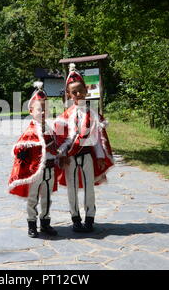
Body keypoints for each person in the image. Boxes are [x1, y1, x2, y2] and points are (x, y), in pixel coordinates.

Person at [54, 63, 114, 232]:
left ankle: (89, 218)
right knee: (72, 189)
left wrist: (101, 157)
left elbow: (98, 138)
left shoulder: (93, 114)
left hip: (87, 156)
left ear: (86, 90)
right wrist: (62, 153)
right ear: (69, 94)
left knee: (89, 188)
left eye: (81, 90)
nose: (78, 94)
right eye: (74, 92)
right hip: (70, 158)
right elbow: (60, 140)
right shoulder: (63, 116)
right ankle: (75, 218)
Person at [8, 82, 59, 238]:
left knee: (47, 198)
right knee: (32, 198)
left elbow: (55, 146)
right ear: (31, 111)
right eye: (39, 109)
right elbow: (19, 147)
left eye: (46, 109)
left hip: (49, 169)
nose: (43, 112)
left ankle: (45, 222)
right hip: (35, 171)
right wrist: (21, 154)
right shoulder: (30, 130)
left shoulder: (51, 128)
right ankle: (32, 224)